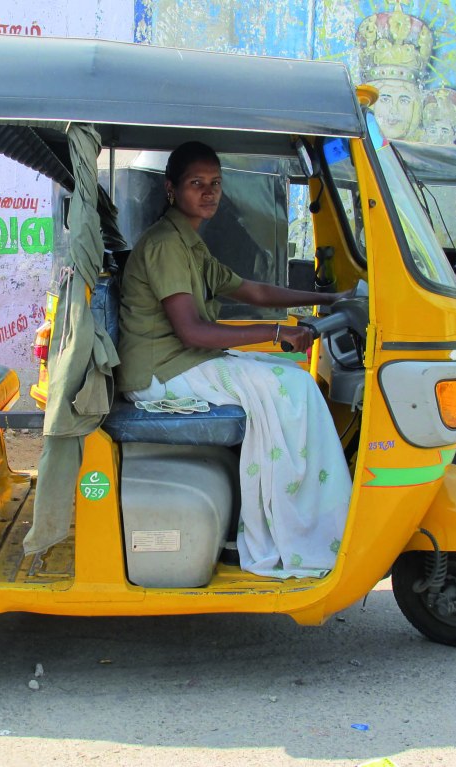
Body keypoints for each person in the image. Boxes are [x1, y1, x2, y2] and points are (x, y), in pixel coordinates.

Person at [116, 141, 353, 579]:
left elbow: (254, 291)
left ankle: (302, 520)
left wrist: (332, 298)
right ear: (171, 189)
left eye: (216, 183)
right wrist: (277, 333)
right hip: (160, 373)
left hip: (182, 362)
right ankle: (296, 532)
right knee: (295, 387)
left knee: (288, 375)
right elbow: (192, 331)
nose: (209, 192)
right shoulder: (166, 245)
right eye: (196, 183)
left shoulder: (189, 243)